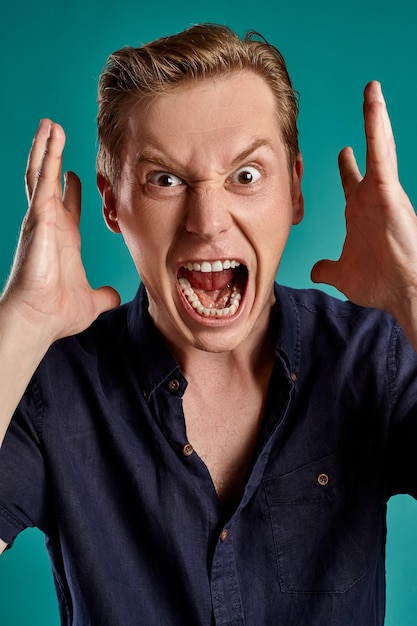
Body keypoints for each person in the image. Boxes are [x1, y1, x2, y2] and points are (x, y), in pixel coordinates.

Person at [0, 22, 416, 625]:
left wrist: (411, 295)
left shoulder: (374, 357)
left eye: (245, 176)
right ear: (113, 204)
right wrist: (24, 319)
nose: (207, 220)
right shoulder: (52, 382)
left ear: (296, 190)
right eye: (164, 180)